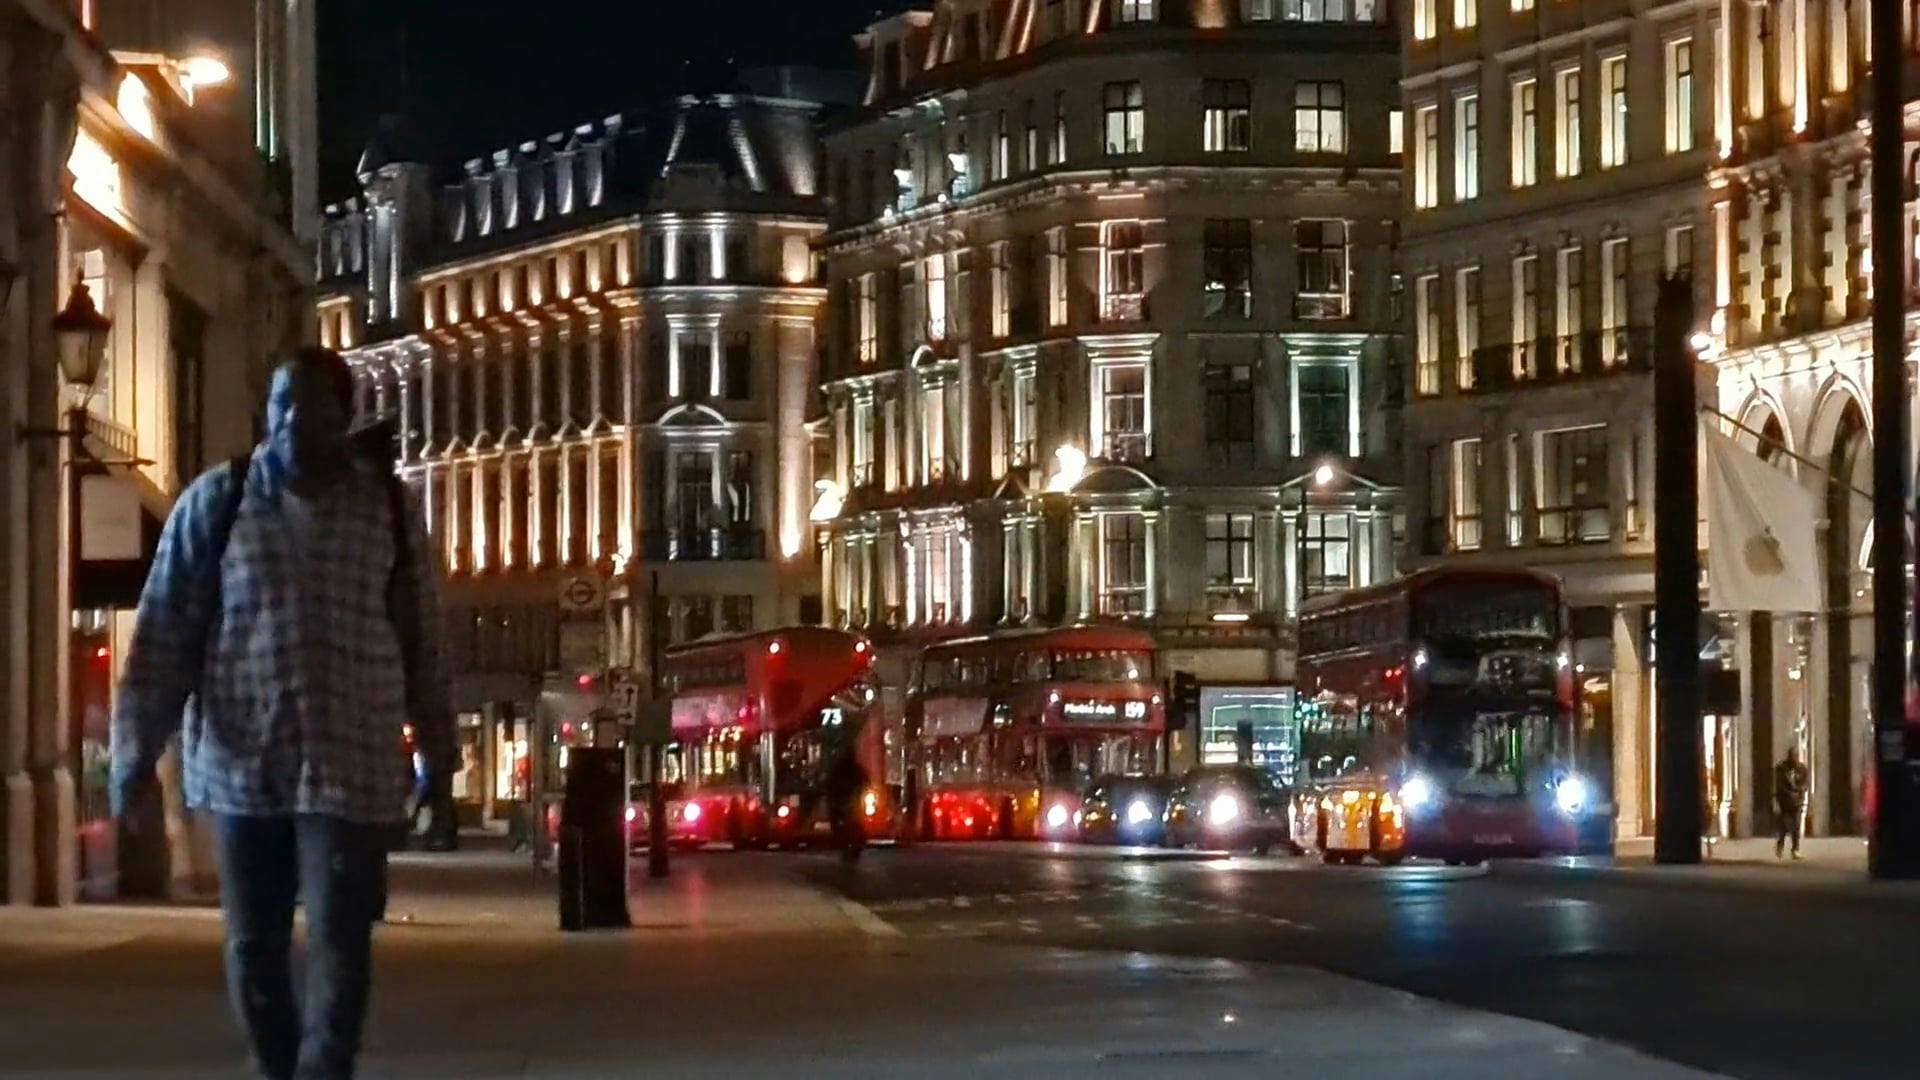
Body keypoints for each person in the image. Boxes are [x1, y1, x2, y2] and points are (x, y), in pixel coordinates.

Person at [111, 347, 453, 1080]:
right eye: (280, 404)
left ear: (343, 416)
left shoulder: (388, 508)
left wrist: (440, 752)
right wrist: (133, 757)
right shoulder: (218, 501)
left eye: (312, 405)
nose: (293, 420)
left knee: (340, 940)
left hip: (351, 763)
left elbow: (422, 637)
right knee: (252, 946)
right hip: (244, 764)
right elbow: (164, 632)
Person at [1774, 746, 1811, 860]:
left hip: (1797, 802)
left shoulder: (1802, 769)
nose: (1794, 758)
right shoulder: (1781, 769)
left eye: (1796, 756)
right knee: (1784, 826)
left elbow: (1805, 784)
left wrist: (1799, 791)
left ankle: (1795, 849)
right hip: (1785, 802)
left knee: (1796, 826)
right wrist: (1789, 794)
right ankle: (1780, 845)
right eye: (1792, 756)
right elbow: (1779, 785)